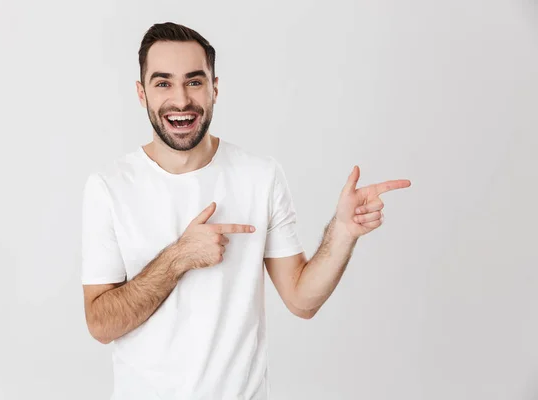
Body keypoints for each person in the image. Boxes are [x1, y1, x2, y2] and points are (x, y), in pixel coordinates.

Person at [81, 21, 411, 400]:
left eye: (194, 81)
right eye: (162, 83)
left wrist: (343, 232)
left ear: (214, 88)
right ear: (142, 94)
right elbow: (101, 323)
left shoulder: (260, 176)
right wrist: (178, 258)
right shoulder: (109, 187)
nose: (181, 99)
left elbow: (302, 300)